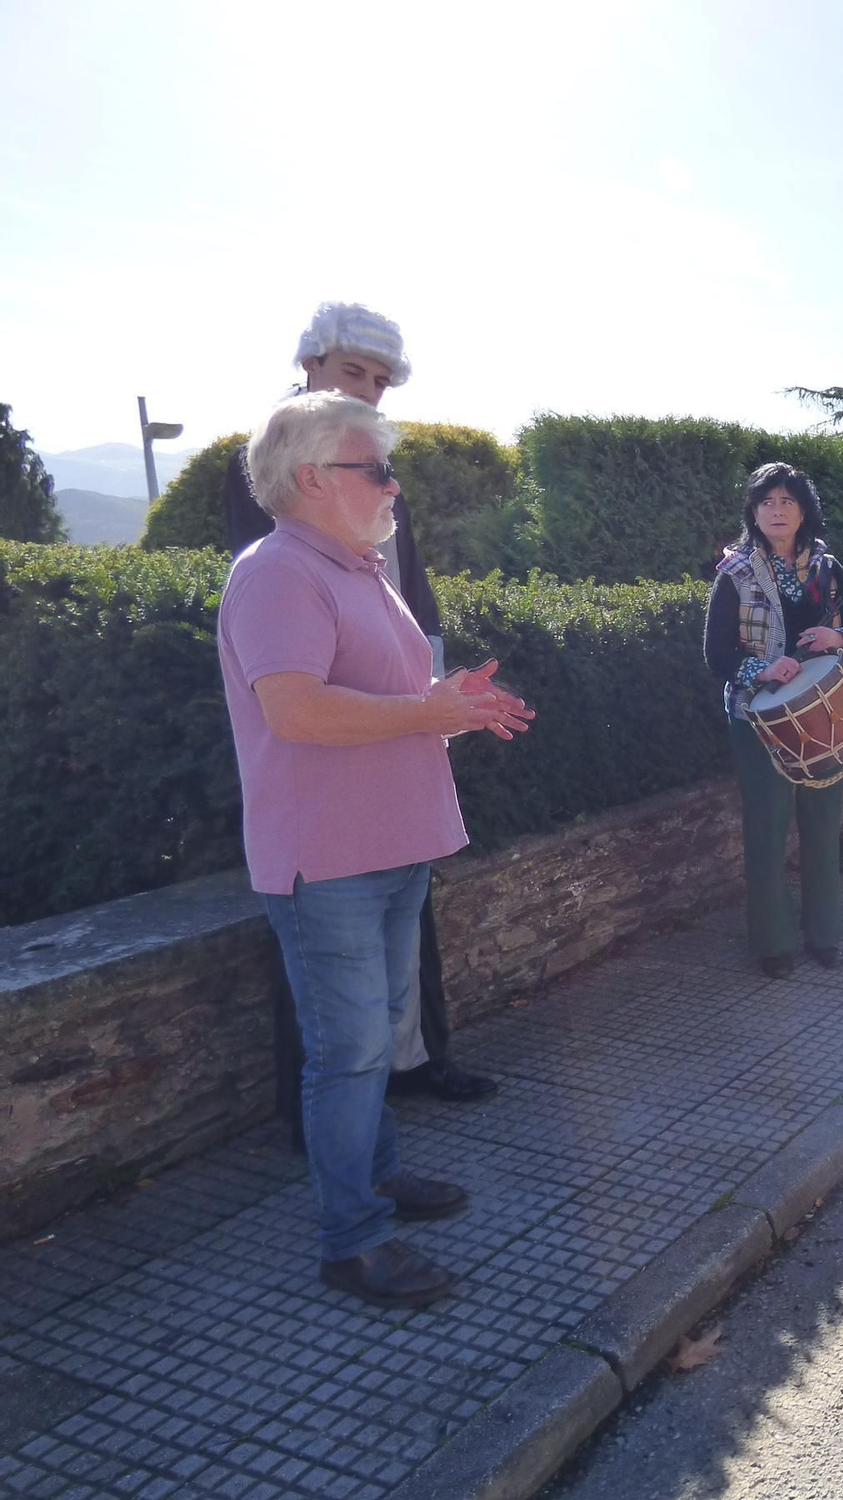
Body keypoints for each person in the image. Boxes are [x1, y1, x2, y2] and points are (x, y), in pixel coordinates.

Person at [217, 392, 534, 1307]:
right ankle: (349, 1240)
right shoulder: (278, 572)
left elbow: (383, 703)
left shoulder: (359, 569)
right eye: (378, 469)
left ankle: (378, 1177)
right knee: (350, 1051)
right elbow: (298, 708)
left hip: (387, 847)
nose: (396, 486)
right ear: (312, 478)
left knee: (375, 1037)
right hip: (329, 861)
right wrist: (426, 710)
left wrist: (450, 702)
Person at [222, 302, 496, 1114]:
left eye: (380, 379)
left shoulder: (367, 464)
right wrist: (417, 706)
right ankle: (332, 1127)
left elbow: (408, 588)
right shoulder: (284, 469)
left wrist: (437, 690)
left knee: (410, 924)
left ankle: (413, 1066)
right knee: (323, 977)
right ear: (310, 367)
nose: (371, 391)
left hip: (397, 728)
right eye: (355, 373)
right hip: (322, 774)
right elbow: (281, 635)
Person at [704, 463, 843, 978]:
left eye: (787, 501)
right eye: (766, 502)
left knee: (823, 828)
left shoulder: (827, 567)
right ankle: (772, 943)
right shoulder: (734, 573)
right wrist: (764, 668)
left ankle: (824, 935)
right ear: (753, 511)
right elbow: (716, 653)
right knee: (767, 829)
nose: (777, 511)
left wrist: (837, 639)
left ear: (803, 510)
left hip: (824, 715)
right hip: (756, 720)